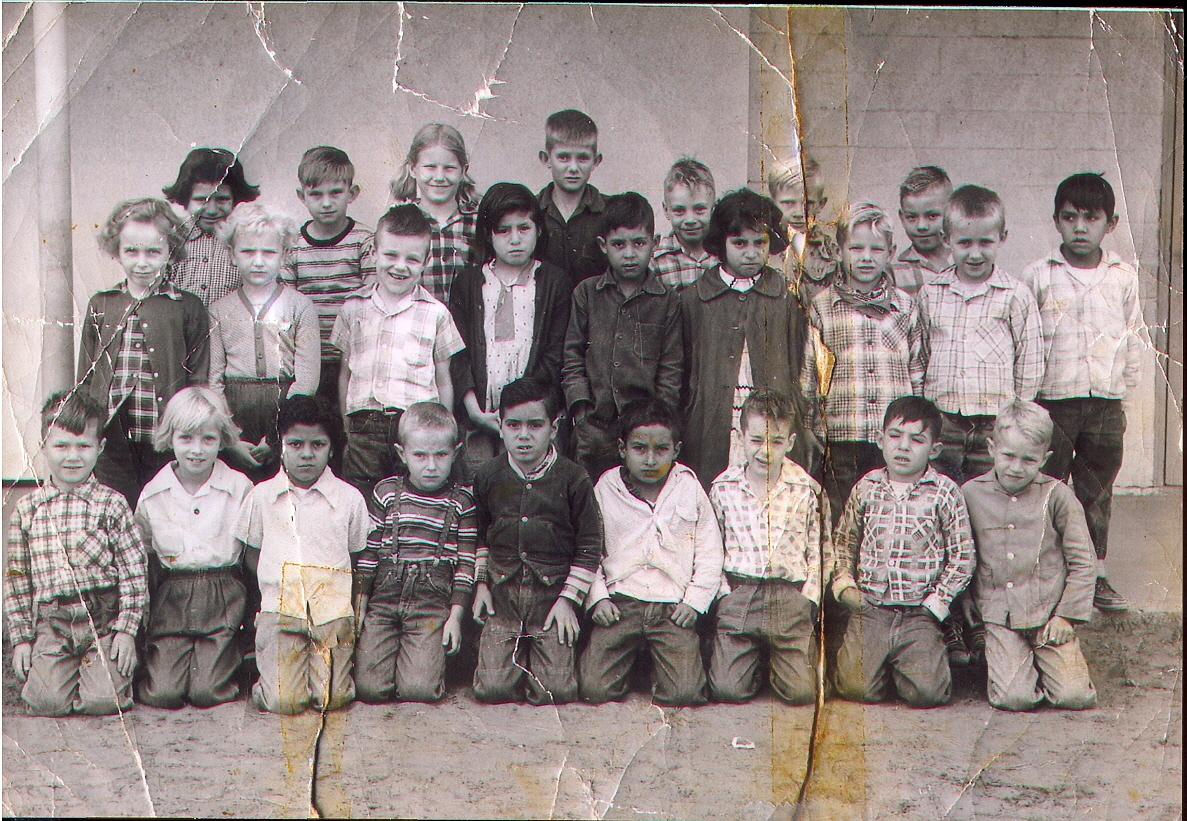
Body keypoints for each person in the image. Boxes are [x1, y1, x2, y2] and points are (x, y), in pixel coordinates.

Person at [1018, 172, 1146, 613]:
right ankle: (1046, 573)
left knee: (1095, 490)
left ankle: (1096, 574)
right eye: (1069, 217)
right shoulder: (1038, 275)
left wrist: (1121, 392)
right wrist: (1029, 401)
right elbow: (1028, 339)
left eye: (1090, 218)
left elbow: (1132, 339)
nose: (1079, 227)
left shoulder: (1122, 277)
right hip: (1054, 401)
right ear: (1056, 220)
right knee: (1046, 486)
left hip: (1105, 404)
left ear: (1109, 224)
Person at [5, 391, 147, 715]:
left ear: (100, 447)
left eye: (83, 446)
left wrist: (126, 630)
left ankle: (99, 676)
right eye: (61, 446)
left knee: (103, 701)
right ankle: (64, 676)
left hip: (103, 621)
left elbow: (134, 572)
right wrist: (22, 639)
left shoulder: (112, 504)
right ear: (43, 447)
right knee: (46, 702)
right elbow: (16, 579)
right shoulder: (28, 509)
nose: (73, 456)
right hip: (52, 623)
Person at [831, 396, 975, 707]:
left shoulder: (945, 492)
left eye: (917, 439)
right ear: (881, 440)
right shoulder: (867, 487)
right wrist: (846, 585)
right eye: (895, 436)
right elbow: (844, 540)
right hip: (871, 608)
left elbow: (962, 557)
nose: (903, 447)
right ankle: (882, 662)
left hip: (919, 612)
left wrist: (936, 603)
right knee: (856, 689)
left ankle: (926, 652)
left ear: (934, 449)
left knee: (927, 694)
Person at [579, 399, 722, 707]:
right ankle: (632, 662)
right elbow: (588, 548)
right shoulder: (606, 488)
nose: (650, 460)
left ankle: (667, 663)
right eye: (639, 448)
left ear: (676, 450)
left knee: (684, 692)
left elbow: (710, 550)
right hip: (620, 603)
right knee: (593, 689)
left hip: (672, 607)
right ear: (622, 449)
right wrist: (598, 597)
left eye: (661, 450)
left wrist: (695, 602)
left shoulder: (688, 487)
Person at [470, 378, 602, 705]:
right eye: (513, 425)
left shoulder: (574, 479)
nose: (524, 435)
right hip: (503, 595)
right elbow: (480, 534)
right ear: (500, 427)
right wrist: (482, 585)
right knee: (492, 690)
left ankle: (539, 657)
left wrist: (569, 600)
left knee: (555, 691)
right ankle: (504, 654)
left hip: (551, 597)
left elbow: (589, 546)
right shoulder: (488, 475)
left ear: (554, 427)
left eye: (535, 425)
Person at [235, 395, 368, 714]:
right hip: (282, 611)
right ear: (280, 445)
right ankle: (271, 677)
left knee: (332, 700)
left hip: (331, 614)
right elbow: (252, 554)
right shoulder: (262, 497)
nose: (306, 455)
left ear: (332, 447)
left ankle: (318, 674)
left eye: (317, 445)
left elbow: (357, 555)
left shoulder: (349, 499)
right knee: (286, 702)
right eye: (295, 444)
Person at [963, 400, 1097, 711]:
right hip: (999, 615)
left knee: (1073, 696)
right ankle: (1006, 662)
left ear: (1045, 458)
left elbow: (1082, 561)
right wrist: (968, 600)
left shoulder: (1058, 496)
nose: (1016, 467)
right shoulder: (970, 494)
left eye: (1029, 459)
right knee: (1015, 698)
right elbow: (963, 554)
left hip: (1048, 614)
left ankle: (1045, 663)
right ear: (991, 447)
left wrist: (1066, 615)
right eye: (1008, 455)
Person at [801, 202, 928, 525]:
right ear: (841, 250)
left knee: (890, 515)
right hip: (844, 433)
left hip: (894, 437)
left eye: (876, 248)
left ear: (890, 252)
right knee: (846, 516)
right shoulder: (824, 307)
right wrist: (815, 426)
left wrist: (916, 426)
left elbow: (918, 371)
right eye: (856, 248)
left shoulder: (905, 306)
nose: (866, 257)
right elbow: (811, 374)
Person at [78, 197, 209, 506]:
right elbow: (86, 376)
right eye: (131, 251)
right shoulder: (102, 303)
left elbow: (199, 377)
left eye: (154, 252)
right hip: (112, 437)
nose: (142, 262)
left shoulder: (187, 307)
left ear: (170, 251)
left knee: (163, 510)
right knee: (118, 507)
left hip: (165, 435)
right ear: (116, 250)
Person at [680, 188, 814, 488]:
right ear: (721, 244)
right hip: (714, 419)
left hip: (770, 418)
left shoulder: (783, 298)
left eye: (760, 243)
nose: (751, 253)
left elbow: (797, 362)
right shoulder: (694, 300)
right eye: (739, 243)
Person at [330, 205, 466, 498]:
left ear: (426, 261)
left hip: (416, 429)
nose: (400, 266)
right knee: (362, 499)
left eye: (412, 258)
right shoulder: (353, 308)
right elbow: (345, 373)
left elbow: (444, 379)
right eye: (390, 255)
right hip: (363, 425)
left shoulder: (436, 314)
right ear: (374, 252)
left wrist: (443, 427)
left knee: (412, 499)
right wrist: (346, 422)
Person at [707, 389, 830, 705]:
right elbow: (712, 546)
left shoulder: (807, 489)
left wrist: (809, 597)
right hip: (741, 592)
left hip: (788, 595)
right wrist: (724, 594)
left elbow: (820, 548)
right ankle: (747, 658)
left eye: (776, 441)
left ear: (789, 442)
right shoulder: (723, 488)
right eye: (756, 440)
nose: (766, 451)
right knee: (727, 689)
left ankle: (780, 657)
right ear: (741, 436)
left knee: (802, 692)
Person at [134, 387, 253, 708]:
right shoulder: (153, 494)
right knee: (163, 693)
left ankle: (230, 656)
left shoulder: (239, 488)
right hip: (172, 594)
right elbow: (145, 556)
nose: (197, 450)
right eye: (186, 438)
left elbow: (253, 554)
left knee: (206, 692)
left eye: (208, 439)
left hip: (223, 592)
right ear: (170, 438)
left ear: (222, 439)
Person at [353, 403, 478, 703]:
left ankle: (423, 664)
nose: (431, 466)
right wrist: (361, 603)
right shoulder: (385, 492)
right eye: (420, 456)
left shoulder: (462, 501)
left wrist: (455, 618)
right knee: (370, 689)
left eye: (441, 455)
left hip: (430, 608)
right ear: (402, 454)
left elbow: (465, 565)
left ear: (456, 452)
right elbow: (369, 555)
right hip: (383, 604)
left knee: (418, 691)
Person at [448, 182, 572, 468]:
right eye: (504, 230)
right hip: (479, 417)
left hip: (531, 421)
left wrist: (521, 412)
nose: (514, 239)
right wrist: (474, 410)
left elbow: (555, 357)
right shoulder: (468, 283)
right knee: (479, 486)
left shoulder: (554, 282)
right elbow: (458, 353)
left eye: (523, 228)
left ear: (538, 229)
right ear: (488, 235)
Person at [562, 192, 683, 479]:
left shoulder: (667, 301)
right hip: (594, 427)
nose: (629, 253)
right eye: (619, 244)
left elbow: (671, 366)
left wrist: (658, 418)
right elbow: (572, 356)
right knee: (592, 503)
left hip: (645, 433)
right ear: (603, 246)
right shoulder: (586, 294)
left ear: (654, 244)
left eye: (639, 243)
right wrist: (580, 409)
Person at [209, 203, 321, 482]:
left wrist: (277, 435)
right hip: (234, 417)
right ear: (232, 254)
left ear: (284, 254)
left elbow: (307, 379)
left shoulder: (301, 307)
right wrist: (230, 438)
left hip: (287, 413)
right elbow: (213, 380)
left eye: (269, 252)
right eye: (247, 251)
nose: (258, 261)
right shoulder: (218, 310)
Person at [282, 145, 376, 412]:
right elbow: (287, 308)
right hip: (307, 361)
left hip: (353, 360)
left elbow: (372, 300)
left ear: (352, 193)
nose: (326, 202)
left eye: (336, 192)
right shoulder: (293, 246)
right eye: (316, 194)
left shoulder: (364, 241)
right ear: (302, 196)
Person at [391, 123, 479, 304]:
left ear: (463, 171)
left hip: (467, 328)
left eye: (449, 168)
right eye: (430, 167)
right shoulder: (400, 222)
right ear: (413, 169)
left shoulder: (477, 221)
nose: (439, 177)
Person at [162, 147, 261, 306]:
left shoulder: (245, 242)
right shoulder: (173, 242)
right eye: (202, 200)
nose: (212, 210)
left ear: (236, 199)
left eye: (222, 199)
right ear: (185, 199)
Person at [536, 109, 606, 290]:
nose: (573, 168)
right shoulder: (530, 211)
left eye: (582, 158)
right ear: (546, 159)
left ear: (596, 161)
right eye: (563, 157)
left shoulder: (610, 212)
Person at [650, 158, 718, 291]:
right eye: (679, 211)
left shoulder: (724, 255)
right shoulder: (656, 259)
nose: (690, 220)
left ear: (713, 208)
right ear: (666, 210)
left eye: (699, 209)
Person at [892, 166, 953, 296]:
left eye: (932, 216)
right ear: (902, 217)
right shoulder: (895, 273)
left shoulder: (965, 262)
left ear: (951, 212)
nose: (921, 226)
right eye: (912, 217)